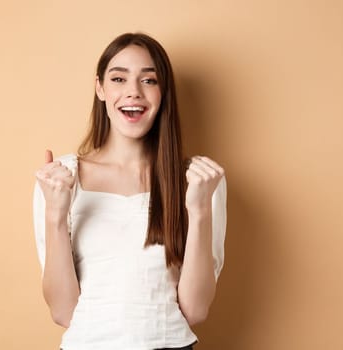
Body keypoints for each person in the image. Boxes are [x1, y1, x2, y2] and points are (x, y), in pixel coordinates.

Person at [32, 32, 227, 350]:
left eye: (149, 81)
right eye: (119, 79)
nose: (133, 92)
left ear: (163, 92)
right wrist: (55, 214)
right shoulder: (61, 178)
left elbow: (195, 309)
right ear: (100, 88)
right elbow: (63, 312)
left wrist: (201, 210)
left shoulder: (200, 180)